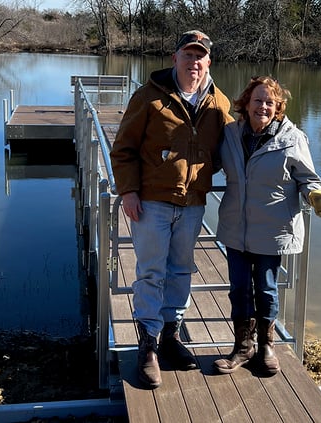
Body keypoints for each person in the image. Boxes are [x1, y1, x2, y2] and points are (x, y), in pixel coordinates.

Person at [109, 30, 233, 389]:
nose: (194, 63)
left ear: (208, 62)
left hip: (193, 204)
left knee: (180, 271)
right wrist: (129, 191)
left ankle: (170, 336)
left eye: (200, 57)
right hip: (151, 203)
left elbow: (234, 148)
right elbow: (124, 149)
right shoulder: (149, 97)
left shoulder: (218, 103)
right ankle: (147, 345)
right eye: (187, 55)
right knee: (150, 272)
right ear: (175, 57)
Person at [213, 76, 321, 375]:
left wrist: (316, 197)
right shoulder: (230, 134)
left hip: (272, 230)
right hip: (236, 227)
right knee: (239, 289)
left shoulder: (292, 138)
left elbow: (308, 178)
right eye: (257, 100)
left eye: (270, 103)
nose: (263, 107)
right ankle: (243, 348)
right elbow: (209, 163)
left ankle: (266, 347)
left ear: (278, 108)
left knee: (267, 289)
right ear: (245, 103)